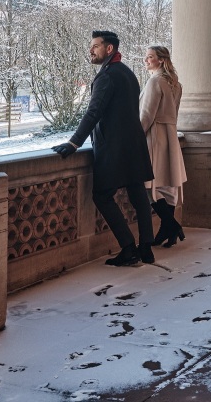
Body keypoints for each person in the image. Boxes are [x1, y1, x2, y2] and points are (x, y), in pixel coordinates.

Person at [52, 30, 155, 266]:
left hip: (114, 148)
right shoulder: (128, 73)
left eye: (95, 46)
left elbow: (94, 112)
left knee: (102, 195)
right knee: (138, 193)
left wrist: (73, 142)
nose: (91, 50)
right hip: (134, 144)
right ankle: (146, 247)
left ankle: (129, 248)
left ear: (109, 49)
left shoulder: (107, 76)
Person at [140, 45, 187, 247]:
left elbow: (146, 116)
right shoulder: (176, 83)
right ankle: (168, 229)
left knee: (150, 187)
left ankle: (171, 225)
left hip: (155, 137)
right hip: (170, 135)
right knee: (168, 187)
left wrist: (135, 137)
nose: (146, 60)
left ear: (160, 60)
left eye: (150, 57)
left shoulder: (155, 81)